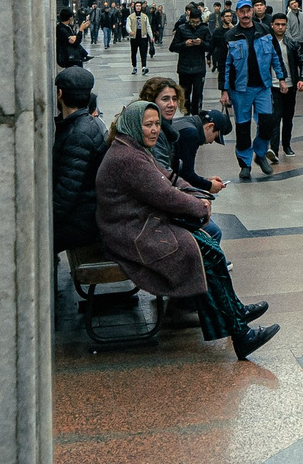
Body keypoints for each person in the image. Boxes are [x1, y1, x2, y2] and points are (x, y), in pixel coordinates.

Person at [93, 101, 278, 359]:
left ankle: (236, 316)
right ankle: (240, 331)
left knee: (207, 247)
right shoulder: (127, 158)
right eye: (149, 125)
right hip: (131, 236)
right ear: (135, 125)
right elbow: (164, 195)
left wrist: (196, 194)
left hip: (140, 226)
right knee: (204, 252)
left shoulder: (132, 148)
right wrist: (198, 206)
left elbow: (167, 177)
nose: (155, 130)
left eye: (157, 124)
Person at [219, 2, 286, 179]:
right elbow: (224, 65)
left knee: (267, 122)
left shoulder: (264, 31)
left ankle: (261, 154)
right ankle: (245, 164)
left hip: (263, 86)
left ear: (253, 11)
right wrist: (224, 91)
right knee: (242, 127)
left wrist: (281, 78)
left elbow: (275, 56)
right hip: (240, 90)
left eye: (248, 11)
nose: (246, 14)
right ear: (237, 14)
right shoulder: (230, 36)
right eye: (242, 12)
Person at [52, 68, 109, 254]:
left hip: (83, 221)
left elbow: (65, 194)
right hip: (86, 213)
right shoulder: (82, 125)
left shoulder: (79, 134)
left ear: (59, 94)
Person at [268, 11, 303, 157]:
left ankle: (286, 145)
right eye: (277, 24)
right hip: (273, 86)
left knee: (288, 117)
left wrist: (302, 79)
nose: (280, 27)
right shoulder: (267, 43)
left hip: (291, 86)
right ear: (272, 25)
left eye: (283, 25)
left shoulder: (292, 44)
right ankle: (273, 148)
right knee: (275, 117)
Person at [169, 4, 211, 112]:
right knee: (185, 94)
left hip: (199, 68)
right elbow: (172, 47)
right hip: (184, 68)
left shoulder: (204, 29)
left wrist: (201, 43)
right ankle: (186, 115)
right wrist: (184, 44)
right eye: (193, 21)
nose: (195, 24)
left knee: (197, 94)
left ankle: (196, 114)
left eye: (197, 22)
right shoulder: (182, 28)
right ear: (189, 18)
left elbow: (210, 46)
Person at [127, 2, 153, 72]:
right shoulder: (130, 17)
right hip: (134, 37)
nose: (138, 7)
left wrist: (151, 36)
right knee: (134, 52)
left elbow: (148, 27)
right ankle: (134, 66)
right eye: (137, 6)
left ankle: (144, 66)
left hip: (143, 37)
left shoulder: (145, 17)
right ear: (134, 7)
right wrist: (130, 31)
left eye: (139, 6)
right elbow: (128, 26)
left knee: (143, 52)